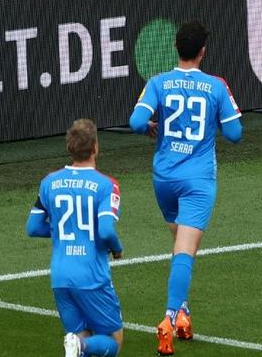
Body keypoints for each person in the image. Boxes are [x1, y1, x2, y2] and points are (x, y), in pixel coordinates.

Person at [129, 21, 243, 355]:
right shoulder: (216, 86)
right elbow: (235, 134)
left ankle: (183, 313)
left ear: (176, 50)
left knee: (180, 245)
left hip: (164, 178)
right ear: (203, 51)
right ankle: (168, 317)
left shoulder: (158, 83)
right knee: (184, 252)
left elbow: (136, 123)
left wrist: (153, 125)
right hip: (197, 181)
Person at [26, 118, 124, 357]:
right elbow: (107, 231)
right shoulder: (106, 185)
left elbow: (32, 227)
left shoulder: (49, 182)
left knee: (80, 336)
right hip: (91, 275)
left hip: (60, 275)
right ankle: (82, 346)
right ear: (95, 148)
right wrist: (117, 249)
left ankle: (79, 345)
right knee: (113, 340)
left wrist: (61, 229)